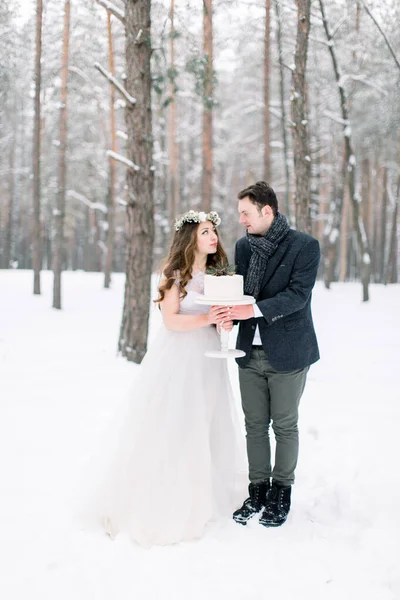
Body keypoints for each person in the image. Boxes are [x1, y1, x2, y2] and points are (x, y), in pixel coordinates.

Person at [80, 210, 243, 547]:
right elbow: (172, 321)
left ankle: (205, 489)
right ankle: (167, 494)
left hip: (209, 356)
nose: (213, 238)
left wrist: (223, 322)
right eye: (205, 232)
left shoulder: (217, 273)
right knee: (177, 421)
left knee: (207, 418)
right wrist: (206, 319)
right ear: (190, 239)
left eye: (214, 232)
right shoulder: (176, 275)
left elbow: (216, 315)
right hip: (180, 356)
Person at [219, 181, 320, 528]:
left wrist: (253, 311)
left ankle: (282, 493)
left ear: (267, 211)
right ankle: (258, 490)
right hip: (249, 351)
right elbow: (240, 291)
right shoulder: (243, 248)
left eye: (246, 213)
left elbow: (297, 296)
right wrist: (227, 314)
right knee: (255, 426)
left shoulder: (304, 246)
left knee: (285, 425)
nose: (242, 221)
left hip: (289, 351)